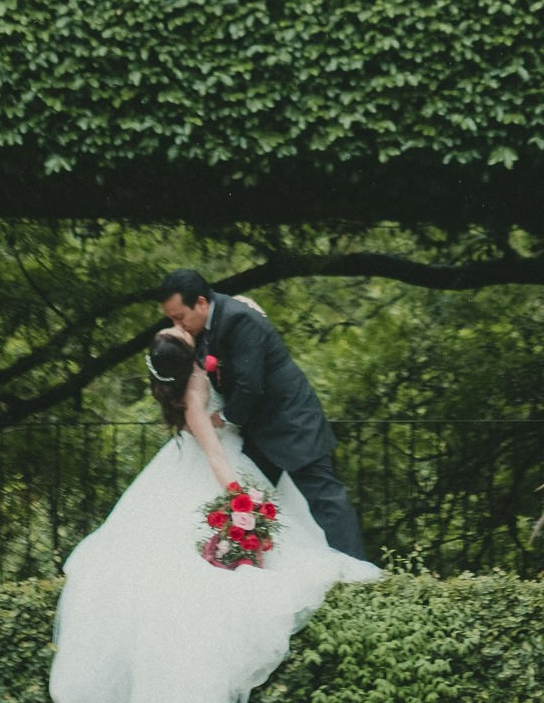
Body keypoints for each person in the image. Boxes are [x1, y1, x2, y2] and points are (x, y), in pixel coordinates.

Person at [47, 324, 378, 703]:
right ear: (187, 359)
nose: (179, 326)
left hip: (193, 460)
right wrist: (241, 502)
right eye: (178, 332)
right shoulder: (194, 392)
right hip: (220, 465)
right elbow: (216, 456)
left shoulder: (187, 369)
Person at [157, 268, 369, 561]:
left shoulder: (238, 319)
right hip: (256, 431)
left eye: (180, 317)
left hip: (291, 422)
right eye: (171, 319)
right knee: (247, 502)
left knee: (326, 500)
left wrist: (220, 419)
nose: (176, 324)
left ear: (202, 303)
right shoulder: (204, 327)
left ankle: (357, 576)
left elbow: (249, 385)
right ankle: (242, 562)